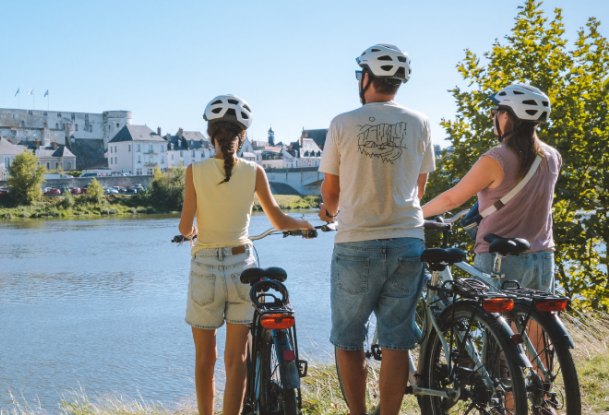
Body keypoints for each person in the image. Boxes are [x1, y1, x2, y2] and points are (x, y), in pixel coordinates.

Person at [317, 44, 434, 415]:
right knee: (396, 341)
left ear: (366, 78)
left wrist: (329, 211)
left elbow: (331, 192)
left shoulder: (342, 123)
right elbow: (420, 188)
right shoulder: (420, 122)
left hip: (356, 242)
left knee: (349, 340)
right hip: (408, 241)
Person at [178, 94, 312, 415]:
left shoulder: (194, 171)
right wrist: (304, 224)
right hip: (243, 269)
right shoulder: (255, 172)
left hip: (205, 269)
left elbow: (185, 227)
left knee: (204, 358)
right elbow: (279, 221)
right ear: (244, 136)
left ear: (212, 135)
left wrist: (194, 233)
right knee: (236, 359)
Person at [421, 84, 560, 292]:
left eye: (494, 112)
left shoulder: (496, 159)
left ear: (506, 116)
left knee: (494, 323)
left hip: (502, 259)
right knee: (536, 323)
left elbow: (452, 200)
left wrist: (412, 214)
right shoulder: (552, 156)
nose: (492, 116)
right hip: (543, 256)